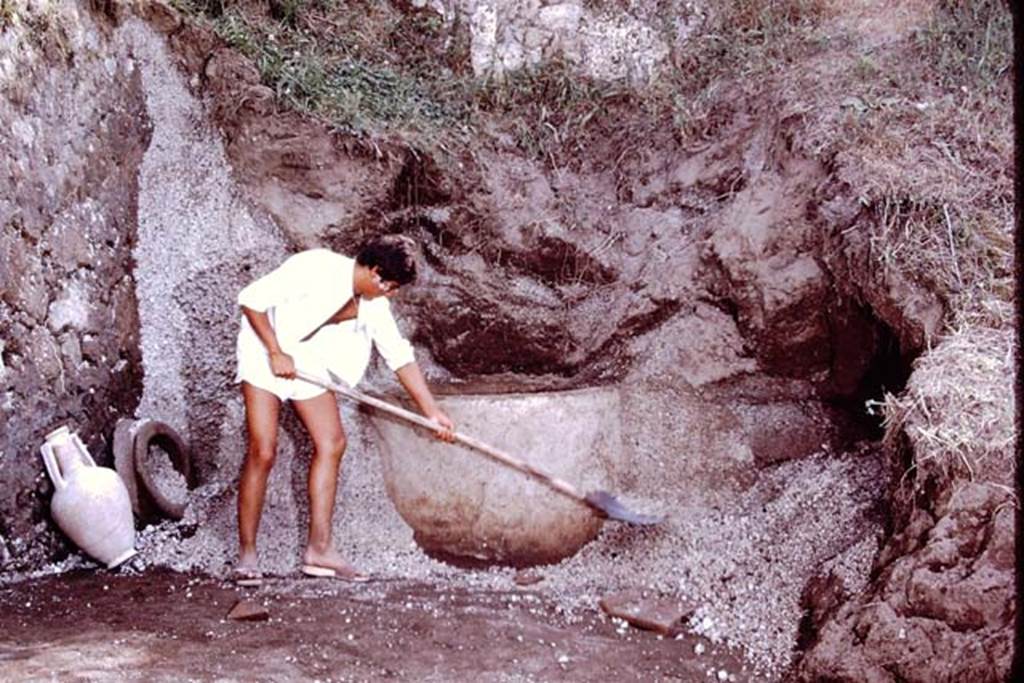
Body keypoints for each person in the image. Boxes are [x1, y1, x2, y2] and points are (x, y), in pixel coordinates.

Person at [232, 235, 454, 585]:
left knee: (332, 442)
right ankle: (247, 554)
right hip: (264, 350)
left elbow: (398, 355)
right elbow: (251, 300)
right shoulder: (315, 266)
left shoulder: (374, 304)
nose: (391, 294)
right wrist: (275, 351)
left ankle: (319, 551)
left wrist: (431, 411)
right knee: (264, 450)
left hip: (305, 357)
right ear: (376, 273)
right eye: (391, 286)